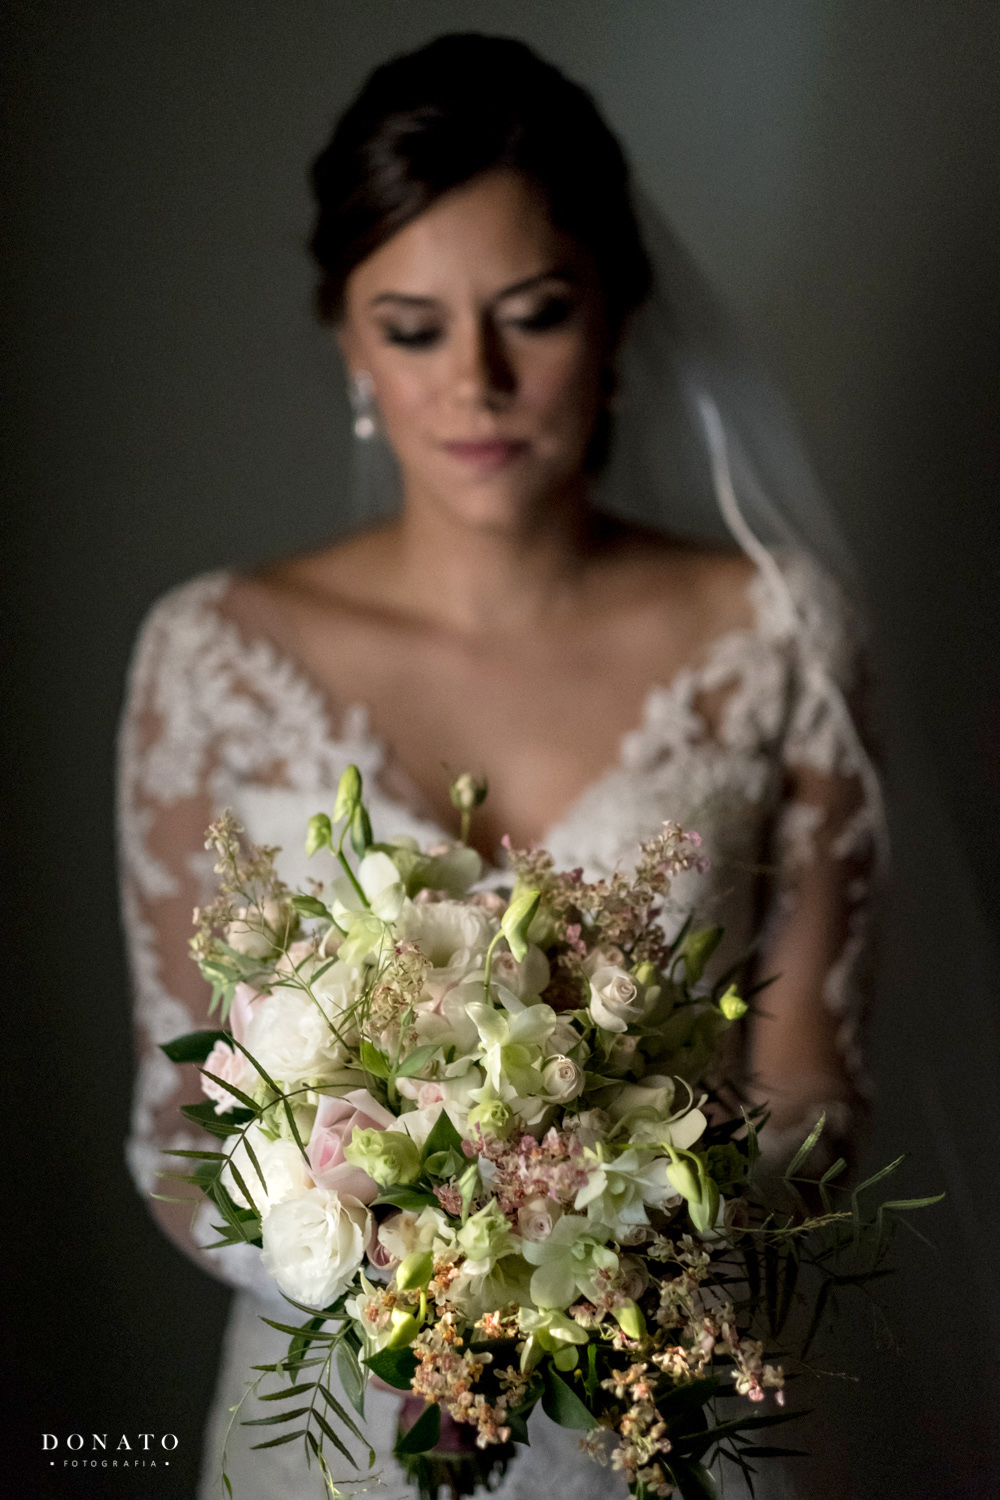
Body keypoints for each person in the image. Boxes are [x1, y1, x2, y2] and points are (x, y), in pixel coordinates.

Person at [118, 33, 877, 1500]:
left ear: (619, 313)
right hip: (327, 1434)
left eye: (534, 314)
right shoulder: (210, 655)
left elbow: (814, 1097)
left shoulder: (778, 636)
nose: (476, 380)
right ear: (348, 341)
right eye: (412, 328)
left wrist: (599, 1248)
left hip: (665, 1417)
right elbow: (174, 1134)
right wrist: (409, 1282)